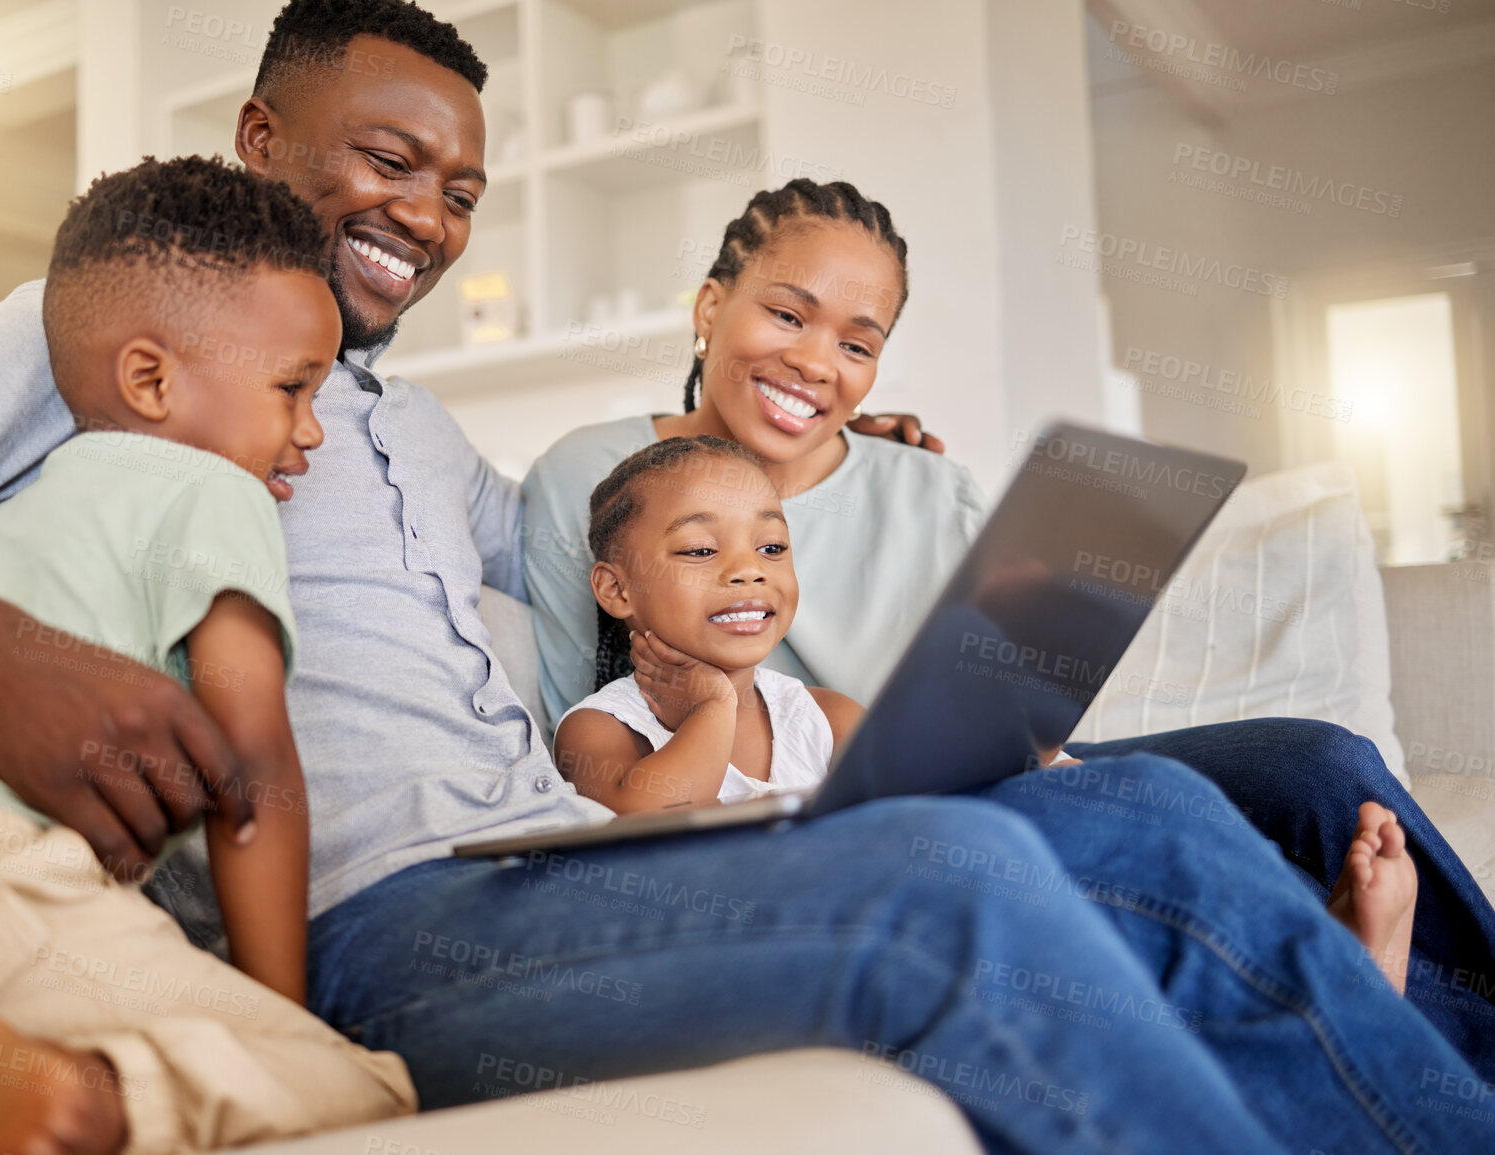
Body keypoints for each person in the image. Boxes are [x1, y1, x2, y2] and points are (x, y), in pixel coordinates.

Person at [0, 2, 1488, 1150]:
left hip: (561, 860)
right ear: (261, 136)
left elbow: (623, 548)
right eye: (384, 160)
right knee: (951, 887)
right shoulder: (128, 330)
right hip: (397, 924)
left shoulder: (426, 437)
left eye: (459, 190)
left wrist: (796, 455)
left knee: (1177, 814)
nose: (426, 218)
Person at [521, 177, 1495, 1054]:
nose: (818, 363)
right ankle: (1358, 1023)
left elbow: (1006, 684)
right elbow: (592, 742)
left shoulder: (926, 483)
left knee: (1317, 765)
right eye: (788, 315)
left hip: (987, 775)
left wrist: (1038, 710)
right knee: (1139, 829)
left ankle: (1428, 1023)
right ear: (709, 307)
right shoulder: (594, 478)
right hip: (837, 822)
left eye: (857, 344)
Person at [0, 157, 415, 1155]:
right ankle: (69, 1091)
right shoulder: (212, 490)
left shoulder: (30, 505)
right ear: (149, 378)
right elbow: (254, 770)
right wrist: (274, 1014)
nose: (311, 430)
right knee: (357, 1085)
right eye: (293, 389)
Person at [556, 435, 861, 810]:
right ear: (617, 589)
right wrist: (712, 709)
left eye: (771, 548)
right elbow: (642, 833)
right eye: (700, 550)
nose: (749, 570)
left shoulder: (832, 719)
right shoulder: (599, 730)